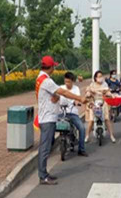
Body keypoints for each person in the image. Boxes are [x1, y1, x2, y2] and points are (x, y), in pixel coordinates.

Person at [36, 56, 86, 185]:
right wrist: (79, 98)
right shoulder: (46, 80)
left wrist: (56, 97)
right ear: (51, 67)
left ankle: (44, 173)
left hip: (48, 117)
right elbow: (63, 92)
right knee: (45, 148)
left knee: (47, 146)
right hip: (47, 118)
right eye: (54, 66)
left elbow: (56, 95)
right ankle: (43, 176)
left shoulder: (41, 78)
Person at [59, 72, 88, 157]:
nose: (67, 83)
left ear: (73, 81)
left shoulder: (76, 89)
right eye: (65, 81)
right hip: (61, 113)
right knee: (51, 126)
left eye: (69, 82)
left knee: (82, 128)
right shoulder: (61, 88)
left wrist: (76, 102)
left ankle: (81, 149)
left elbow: (77, 99)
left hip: (72, 113)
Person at [85, 70, 117, 144]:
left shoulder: (105, 84)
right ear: (95, 78)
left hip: (103, 103)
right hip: (94, 103)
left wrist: (110, 95)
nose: (100, 78)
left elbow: (108, 91)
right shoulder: (92, 85)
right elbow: (88, 91)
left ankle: (111, 136)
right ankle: (87, 136)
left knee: (107, 119)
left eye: (101, 76)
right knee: (91, 120)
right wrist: (88, 94)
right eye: (99, 76)